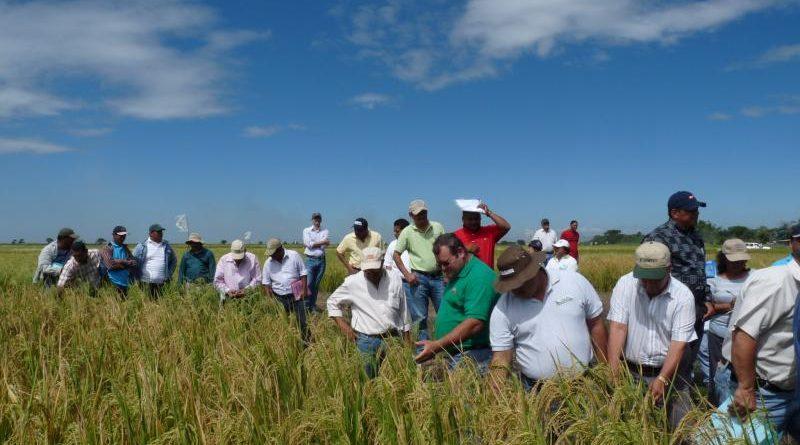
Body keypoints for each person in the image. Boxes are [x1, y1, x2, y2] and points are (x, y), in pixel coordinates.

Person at [488, 245, 607, 390]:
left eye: (521, 283)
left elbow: (596, 324)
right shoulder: (503, 309)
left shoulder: (574, 281)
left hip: (585, 384)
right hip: (536, 391)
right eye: (512, 286)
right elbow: (501, 357)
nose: (517, 290)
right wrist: (494, 394)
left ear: (534, 270)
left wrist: (605, 370)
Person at [607, 241, 697, 429]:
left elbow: (678, 343)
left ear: (669, 269)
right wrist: (613, 371)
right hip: (632, 372)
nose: (648, 284)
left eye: (654, 279)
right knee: (633, 426)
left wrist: (663, 378)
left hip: (673, 374)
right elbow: (618, 328)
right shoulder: (626, 284)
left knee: (680, 428)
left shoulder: (683, 296)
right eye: (644, 278)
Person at [718, 237, 799, 435]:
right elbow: (744, 335)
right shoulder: (775, 282)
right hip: (762, 394)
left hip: (791, 390)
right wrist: (746, 388)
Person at [643, 190, 710, 391]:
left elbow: (700, 270)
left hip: (697, 308)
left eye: (696, 210)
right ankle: (664, 393)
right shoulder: (658, 238)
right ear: (674, 213)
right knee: (672, 354)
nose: (696, 214)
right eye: (691, 211)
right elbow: (650, 277)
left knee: (688, 358)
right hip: (671, 308)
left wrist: (706, 298)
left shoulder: (696, 237)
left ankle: (681, 392)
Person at [414, 234, 499, 373]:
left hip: (473, 356)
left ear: (460, 253)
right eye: (439, 264)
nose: (442, 269)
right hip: (457, 353)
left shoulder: (480, 277)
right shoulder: (457, 270)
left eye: (446, 263)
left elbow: (475, 323)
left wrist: (437, 346)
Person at [327, 246, 412, 377]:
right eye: (368, 271)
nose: (371, 274)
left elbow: (403, 310)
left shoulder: (394, 278)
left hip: (392, 339)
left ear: (382, 263)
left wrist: (407, 341)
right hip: (366, 341)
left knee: (394, 379)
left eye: (374, 270)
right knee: (368, 382)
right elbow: (332, 302)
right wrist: (344, 327)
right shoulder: (353, 282)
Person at [701, 238, 750, 404]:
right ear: (724, 259)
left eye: (741, 260)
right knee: (718, 374)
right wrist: (731, 304)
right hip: (719, 336)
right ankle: (716, 408)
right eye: (733, 260)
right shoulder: (713, 279)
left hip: (747, 336)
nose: (738, 264)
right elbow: (708, 308)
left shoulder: (755, 277)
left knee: (743, 374)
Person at [393, 199, 446, 344]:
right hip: (418, 278)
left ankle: (446, 347)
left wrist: (447, 273)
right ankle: (423, 351)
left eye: (423, 213)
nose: (422, 217)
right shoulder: (407, 232)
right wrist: (407, 274)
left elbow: (446, 250)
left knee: (444, 313)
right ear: (411, 215)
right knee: (420, 317)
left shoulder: (438, 227)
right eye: (418, 215)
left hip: (439, 277)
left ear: (427, 212)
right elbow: (396, 254)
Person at [262, 239, 310, 343]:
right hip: (279, 297)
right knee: (282, 321)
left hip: (297, 293)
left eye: (273, 254)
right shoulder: (268, 263)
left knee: (302, 321)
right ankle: (285, 342)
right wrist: (270, 300)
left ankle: (306, 342)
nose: (271, 256)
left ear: (280, 250)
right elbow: (266, 283)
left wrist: (304, 290)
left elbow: (303, 273)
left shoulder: (294, 255)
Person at [454, 201, 511, 268]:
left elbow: (506, 226)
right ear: (463, 219)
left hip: (488, 277)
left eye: (476, 219)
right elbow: (450, 258)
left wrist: (489, 213)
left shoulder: (489, 232)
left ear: (480, 218)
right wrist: (464, 250)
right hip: (466, 277)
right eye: (470, 219)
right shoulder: (455, 236)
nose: (474, 222)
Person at [133, 224, 177, 299]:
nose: (161, 234)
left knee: (160, 305)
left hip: (162, 283)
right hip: (145, 282)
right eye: (158, 232)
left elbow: (174, 260)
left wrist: (169, 274)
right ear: (150, 234)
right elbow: (134, 261)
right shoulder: (142, 246)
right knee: (146, 304)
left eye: (161, 232)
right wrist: (135, 276)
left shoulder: (166, 246)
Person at [99, 225, 137, 298]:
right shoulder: (107, 248)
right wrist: (125, 263)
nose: (123, 237)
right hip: (112, 282)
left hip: (125, 282)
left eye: (124, 235)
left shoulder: (125, 248)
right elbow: (110, 266)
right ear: (114, 235)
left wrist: (117, 261)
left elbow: (134, 262)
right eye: (121, 235)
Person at [303, 212, 330, 312]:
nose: (317, 221)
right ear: (312, 220)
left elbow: (322, 246)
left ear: (321, 220)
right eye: (315, 219)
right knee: (309, 283)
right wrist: (322, 242)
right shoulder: (306, 230)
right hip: (310, 260)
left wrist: (313, 244)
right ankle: (306, 305)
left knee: (316, 285)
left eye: (318, 219)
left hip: (321, 261)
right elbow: (308, 244)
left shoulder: (325, 231)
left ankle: (312, 305)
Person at [385, 218, 413, 302]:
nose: (394, 234)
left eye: (397, 231)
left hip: (413, 282)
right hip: (397, 283)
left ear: (405, 230)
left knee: (415, 312)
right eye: (394, 231)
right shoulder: (392, 245)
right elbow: (387, 265)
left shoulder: (414, 243)